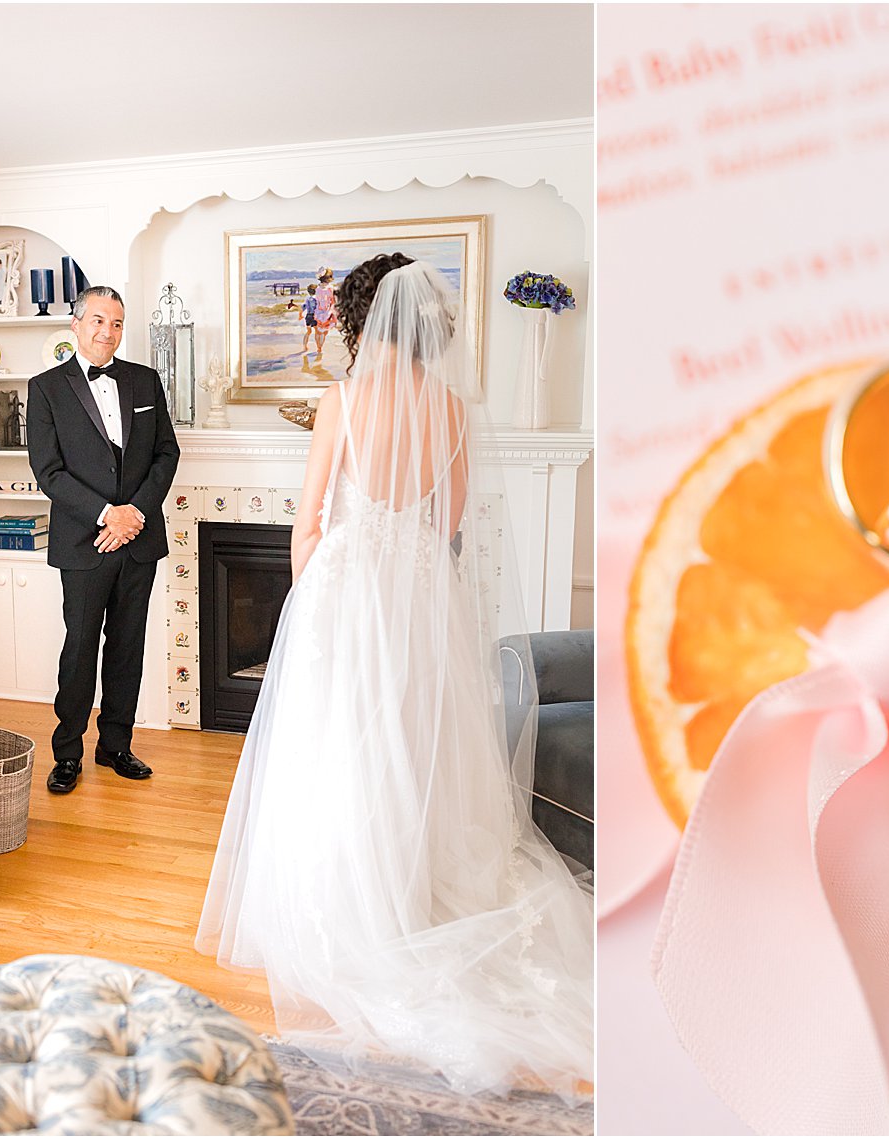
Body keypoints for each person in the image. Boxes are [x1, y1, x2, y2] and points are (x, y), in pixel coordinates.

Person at [196, 255, 594, 1098]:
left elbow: (308, 521)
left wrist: (311, 601)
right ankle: (415, 888)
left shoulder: (341, 402)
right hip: (420, 594)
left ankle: (353, 905)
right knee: (415, 745)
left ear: (361, 320)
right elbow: (448, 525)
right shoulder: (451, 408)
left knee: (339, 747)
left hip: (348, 590)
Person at [27, 285, 181, 794]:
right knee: (79, 648)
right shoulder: (45, 387)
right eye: (97, 321)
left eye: (116, 323)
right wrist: (105, 515)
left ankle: (116, 745)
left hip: (138, 538)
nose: (107, 333)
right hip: (84, 543)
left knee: (127, 646)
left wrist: (134, 512)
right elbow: (49, 473)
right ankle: (67, 752)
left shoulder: (145, 380)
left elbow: (166, 454)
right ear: (75, 325)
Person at [311, 267, 337, 359]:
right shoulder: (330, 288)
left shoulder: (317, 288)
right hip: (327, 311)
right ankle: (320, 347)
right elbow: (332, 301)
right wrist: (332, 312)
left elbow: (317, 301)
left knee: (318, 331)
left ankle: (318, 347)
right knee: (324, 332)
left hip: (318, 311)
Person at [299, 283, 318, 352]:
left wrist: (300, 315)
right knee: (317, 332)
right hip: (314, 316)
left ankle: (305, 347)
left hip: (308, 316)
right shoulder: (317, 299)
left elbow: (303, 307)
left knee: (308, 332)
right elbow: (318, 308)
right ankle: (319, 347)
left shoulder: (307, 299)